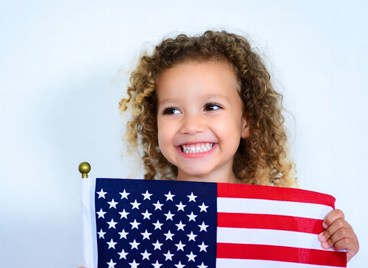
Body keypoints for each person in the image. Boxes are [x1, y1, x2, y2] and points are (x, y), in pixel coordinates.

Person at [119, 30, 359, 262]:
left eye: (211, 107)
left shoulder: (277, 219)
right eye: (172, 110)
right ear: (154, 124)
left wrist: (332, 248)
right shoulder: (136, 217)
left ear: (247, 122)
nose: (191, 126)